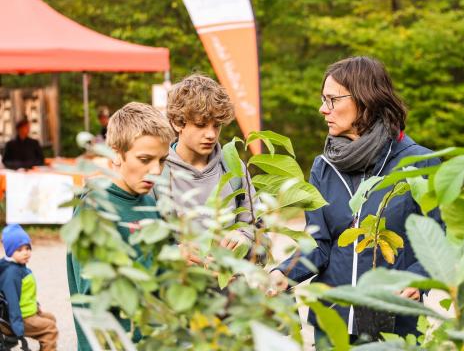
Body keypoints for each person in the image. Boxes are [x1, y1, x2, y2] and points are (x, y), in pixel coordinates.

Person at [269, 56, 443, 346]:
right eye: (323, 99)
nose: (323, 109)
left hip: (393, 323)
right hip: (332, 324)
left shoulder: (418, 163)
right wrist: (282, 273)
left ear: (366, 99)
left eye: (332, 100)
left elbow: (436, 238)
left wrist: (417, 280)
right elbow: (318, 243)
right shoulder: (323, 167)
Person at [66, 102, 173, 351]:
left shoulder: (149, 200)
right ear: (116, 153)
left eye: (162, 160)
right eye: (145, 159)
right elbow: (97, 291)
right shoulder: (94, 208)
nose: (156, 170)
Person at [163, 74, 255, 251]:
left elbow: (262, 238)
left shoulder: (234, 169)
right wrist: (176, 255)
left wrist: (245, 240)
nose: (211, 134)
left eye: (217, 125)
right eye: (201, 125)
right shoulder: (157, 172)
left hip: (230, 278)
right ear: (177, 123)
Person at [0, 224, 58, 350]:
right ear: (10, 251)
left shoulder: (20, 267)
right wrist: (18, 329)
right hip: (20, 317)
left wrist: (36, 306)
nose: (25, 253)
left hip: (27, 311)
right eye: (19, 250)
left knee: (51, 319)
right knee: (50, 329)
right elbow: (12, 302)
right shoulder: (12, 274)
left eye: (27, 248)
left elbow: (26, 293)